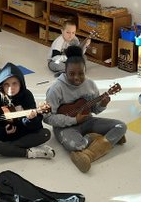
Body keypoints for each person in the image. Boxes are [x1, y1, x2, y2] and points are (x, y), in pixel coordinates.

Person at [45, 45, 127, 173]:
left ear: (85, 71)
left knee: (121, 126)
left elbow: (94, 109)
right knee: (76, 145)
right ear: (65, 71)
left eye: (81, 73)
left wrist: (103, 104)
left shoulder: (90, 85)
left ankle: (87, 154)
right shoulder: (56, 89)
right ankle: (102, 140)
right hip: (65, 127)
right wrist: (73, 121)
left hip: (87, 120)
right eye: (71, 74)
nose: (77, 78)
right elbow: (48, 117)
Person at [0, 63, 55, 159]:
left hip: (19, 131)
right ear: (1, 86)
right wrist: (2, 130)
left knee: (45, 134)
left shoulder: (27, 96)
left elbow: (35, 125)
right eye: (6, 85)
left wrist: (30, 119)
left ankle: (0, 149)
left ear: (21, 83)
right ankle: (27, 152)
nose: (11, 88)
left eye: (14, 83)